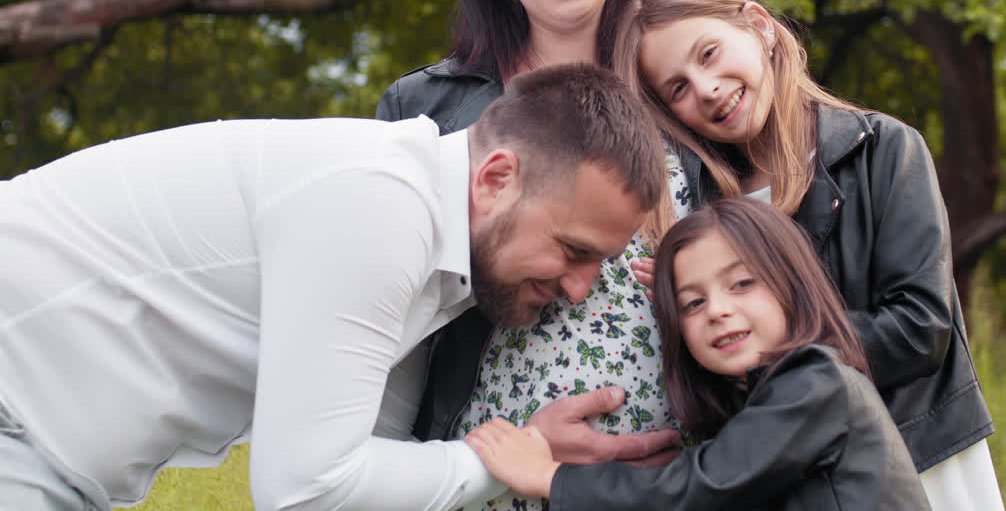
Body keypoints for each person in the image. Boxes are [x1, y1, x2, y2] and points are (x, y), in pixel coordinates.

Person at [0, 64, 673, 511]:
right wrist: (502, 461)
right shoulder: (379, 205)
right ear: (496, 179)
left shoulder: (439, 257)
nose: (582, 289)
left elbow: (366, 461)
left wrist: (528, 451)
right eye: (573, 250)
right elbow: (305, 488)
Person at [375, 0, 688, 511]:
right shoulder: (429, 108)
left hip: (678, 481)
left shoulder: (687, 84)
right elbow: (382, 326)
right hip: (489, 476)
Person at [616, 0, 1004, 511]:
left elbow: (921, 327)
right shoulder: (699, 209)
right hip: (784, 475)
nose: (705, 88)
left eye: (708, 54)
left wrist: (766, 355)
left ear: (759, 27)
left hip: (918, 455)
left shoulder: (882, 150)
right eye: (677, 87)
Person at [467, 198, 930, 510]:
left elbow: (702, 488)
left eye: (742, 283)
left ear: (795, 283)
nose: (718, 311)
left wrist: (550, 478)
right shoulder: (768, 398)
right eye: (692, 302)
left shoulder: (816, 381)